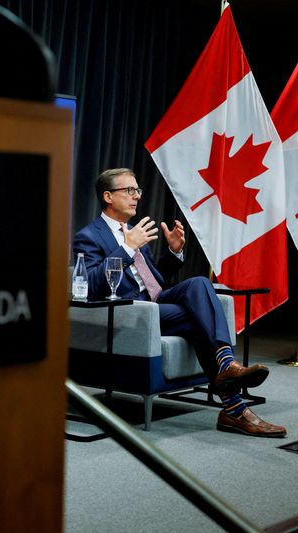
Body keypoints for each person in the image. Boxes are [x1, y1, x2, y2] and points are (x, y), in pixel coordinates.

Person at [73, 168, 286, 438]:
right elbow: (89, 286)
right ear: (107, 196)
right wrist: (126, 248)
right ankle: (234, 406)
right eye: (129, 190)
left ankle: (225, 368)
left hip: (156, 302)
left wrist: (174, 253)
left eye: (138, 190)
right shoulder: (90, 236)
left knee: (198, 283)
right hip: (133, 313)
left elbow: (154, 279)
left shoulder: (133, 231)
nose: (136, 196)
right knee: (199, 320)